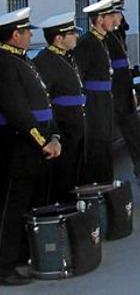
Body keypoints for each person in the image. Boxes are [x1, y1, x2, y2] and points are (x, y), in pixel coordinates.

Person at [0, 8, 62, 286]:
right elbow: (17, 110)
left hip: (35, 145)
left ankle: (22, 255)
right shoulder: (5, 62)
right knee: (12, 207)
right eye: (27, 32)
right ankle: (4, 266)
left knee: (28, 202)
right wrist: (42, 142)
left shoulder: (21, 59)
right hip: (18, 146)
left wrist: (55, 136)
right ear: (16, 35)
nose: (29, 36)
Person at [33, 12, 86, 202]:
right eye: (72, 33)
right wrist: (54, 132)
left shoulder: (67, 56)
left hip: (76, 125)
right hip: (63, 128)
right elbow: (45, 100)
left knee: (75, 176)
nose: (76, 36)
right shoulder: (44, 61)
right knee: (61, 179)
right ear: (58, 38)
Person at [72, 0, 118, 184]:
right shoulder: (86, 42)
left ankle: (106, 181)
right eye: (110, 16)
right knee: (97, 144)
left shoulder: (102, 40)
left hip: (104, 98)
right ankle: (96, 183)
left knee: (107, 141)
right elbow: (79, 76)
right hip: (93, 102)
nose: (113, 20)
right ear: (99, 19)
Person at [103, 0, 140, 165]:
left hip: (124, 94)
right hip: (115, 96)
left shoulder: (116, 35)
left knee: (135, 134)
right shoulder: (105, 39)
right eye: (119, 13)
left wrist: (132, 91)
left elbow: (125, 69)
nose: (121, 17)